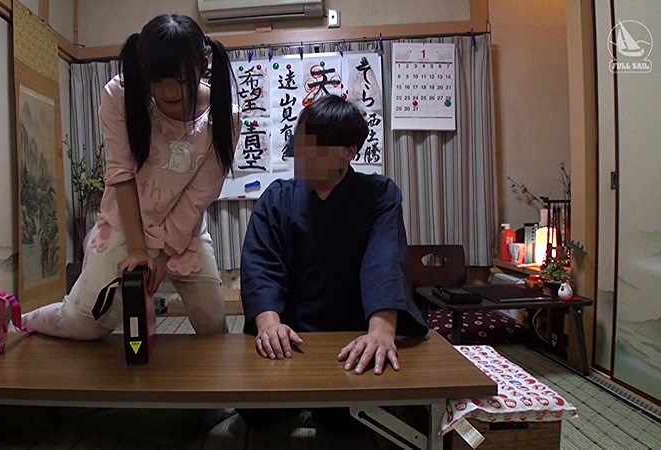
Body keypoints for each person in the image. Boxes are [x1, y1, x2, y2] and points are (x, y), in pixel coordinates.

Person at [22, 14, 238, 339]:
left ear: (203, 63)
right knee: (84, 323)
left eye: (181, 80)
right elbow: (120, 174)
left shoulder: (224, 117)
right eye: (156, 80)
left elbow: (198, 196)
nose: (168, 92)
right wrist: (138, 250)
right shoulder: (120, 95)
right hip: (125, 223)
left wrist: (162, 255)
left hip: (182, 230)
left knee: (213, 326)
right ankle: (23, 321)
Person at [238, 95, 428, 433]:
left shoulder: (378, 194)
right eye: (301, 144)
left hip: (353, 330)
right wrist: (269, 326)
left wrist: (381, 333)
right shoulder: (277, 198)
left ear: (350, 152)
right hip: (290, 330)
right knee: (256, 413)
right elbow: (261, 265)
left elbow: (384, 262)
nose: (304, 155)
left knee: (354, 421)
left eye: (318, 148)